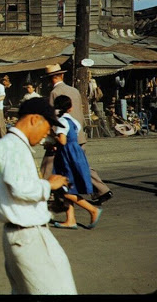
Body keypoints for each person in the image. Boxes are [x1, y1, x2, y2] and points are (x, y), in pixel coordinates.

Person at [0, 97, 77, 295]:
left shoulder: (8, 145)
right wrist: (48, 185)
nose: (48, 133)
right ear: (34, 119)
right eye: (48, 125)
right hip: (28, 236)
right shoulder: (12, 147)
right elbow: (21, 189)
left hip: (20, 235)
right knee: (58, 292)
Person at [39, 64, 113, 206]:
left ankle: (44, 194)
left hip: (63, 137)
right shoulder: (74, 91)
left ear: (51, 79)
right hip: (78, 134)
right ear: (62, 76)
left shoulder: (54, 93)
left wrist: (52, 138)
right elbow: (79, 112)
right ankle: (102, 190)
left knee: (48, 165)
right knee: (81, 164)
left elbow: (54, 118)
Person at [51, 95, 103, 229]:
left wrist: (52, 138)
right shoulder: (73, 121)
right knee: (67, 188)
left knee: (65, 189)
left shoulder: (61, 121)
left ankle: (92, 210)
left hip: (67, 157)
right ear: (69, 108)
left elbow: (62, 140)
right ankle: (70, 219)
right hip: (75, 153)